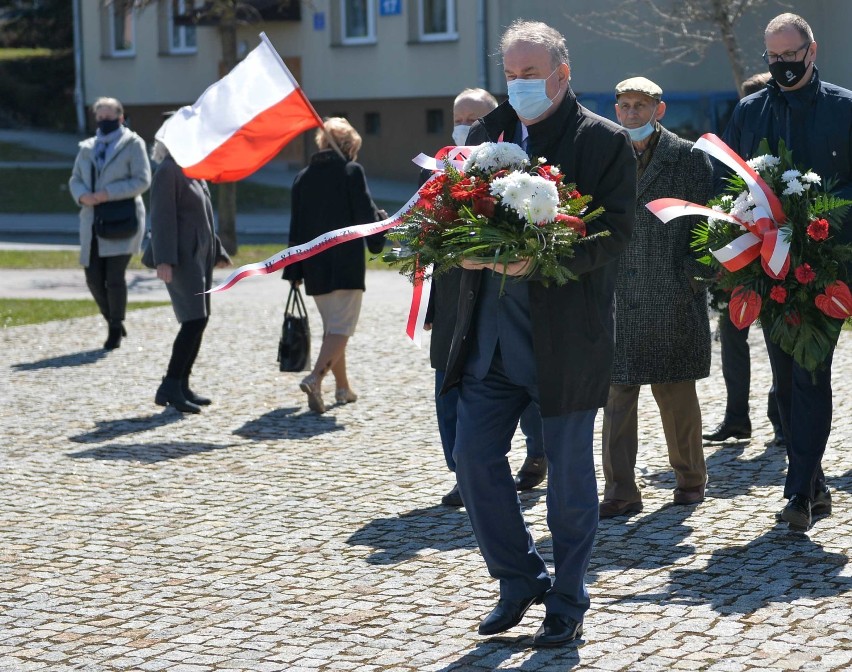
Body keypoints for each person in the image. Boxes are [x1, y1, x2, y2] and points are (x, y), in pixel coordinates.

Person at [442, 20, 635, 647]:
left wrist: (545, 259)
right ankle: (518, 577)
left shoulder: (601, 142)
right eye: (512, 74)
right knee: (471, 458)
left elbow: (618, 233)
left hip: (564, 344)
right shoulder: (486, 134)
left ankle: (568, 599)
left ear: (562, 73)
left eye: (531, 74)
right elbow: (451, 208)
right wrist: (456, 246)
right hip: (491, 338)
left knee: (571, 485)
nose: (519, 85)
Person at [720, 13, 852, 531]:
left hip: (826, 270)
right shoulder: (751, 111)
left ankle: (797, 492)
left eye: (790, 57)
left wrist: (822, 220)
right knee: (784, 380)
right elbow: (726, 180)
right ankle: (814, 485)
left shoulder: (844, 108)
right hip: (767, 268)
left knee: (811, 373)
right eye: (773, 59)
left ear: (811, 51)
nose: (782, 67)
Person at [424, 88, 547, 508]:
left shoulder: (514, 174)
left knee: (519, 386)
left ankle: (538, 451)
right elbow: (429, 244)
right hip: (453, 304)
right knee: (448, 388)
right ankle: (463, 474)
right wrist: (432, 308)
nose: (465, 127)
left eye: (474, 118)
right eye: (458, 118)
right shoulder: (439, 173)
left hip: (498, 302)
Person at [599, 77, 713, 519]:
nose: (630, 113)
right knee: (616, 397)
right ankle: (621, 491)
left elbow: (710, 224)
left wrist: (693, 277)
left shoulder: (686, 156)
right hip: (619, 295)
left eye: (640, 105)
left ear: (658, 110)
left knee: (676, 392)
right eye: (624, 105)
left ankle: (690, 479)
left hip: (671, 291)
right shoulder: (605, 152)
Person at [703, 71, 785, 449]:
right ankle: (737, 418)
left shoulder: (783, 136)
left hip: (774, 251)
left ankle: (781, 416)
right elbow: (719, 184)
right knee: (734, 332)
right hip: (738, 252)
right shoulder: (733, 136)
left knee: (777, 336)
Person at [283, 118, 386, 414]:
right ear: (348, 146)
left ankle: (343, 389)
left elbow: (296, 227)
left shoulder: (302, 177)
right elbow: (365, 214)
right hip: (345, 265)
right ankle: (316, 379)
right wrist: (381, 226)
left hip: (314, 266)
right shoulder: (351, 172)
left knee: (333, 328)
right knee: (341, 329)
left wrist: (294, 271)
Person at [148, 136, 231, 414]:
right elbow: (161, 217)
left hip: (199, 258)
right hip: (181, 259)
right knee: (193, 320)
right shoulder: (168, 170)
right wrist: (164, 260)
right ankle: (170, 385)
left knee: (200, 319)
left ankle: (181, 384)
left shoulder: (193, 168)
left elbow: (204, 217)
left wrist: (217, 250)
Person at [69, 96, 151, 350]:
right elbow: (75, 178)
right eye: (100, 117)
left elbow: (142, 180)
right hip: (93, 220)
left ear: (121, 117)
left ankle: (115, 328)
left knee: (114, 278)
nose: (105, 121)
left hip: (123, 219)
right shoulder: (87, 147)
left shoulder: (133, 144)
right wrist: (82, 195)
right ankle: (112, 317)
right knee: (93, 278)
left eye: (109, 117)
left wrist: (108, 193)